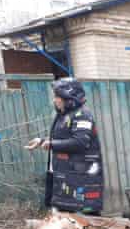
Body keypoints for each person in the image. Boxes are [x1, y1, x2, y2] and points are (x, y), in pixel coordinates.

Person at [26, 78, 103, 214]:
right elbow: (64, 139)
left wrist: (51, 144)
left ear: (69, 98)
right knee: (65, 224)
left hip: (80, 182)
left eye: (58, 97)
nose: (55, 100)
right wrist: (42, 141)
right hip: (65, 180)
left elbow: (80, 142)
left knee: (85, 226)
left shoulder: (82, 115)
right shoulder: (64, 115)